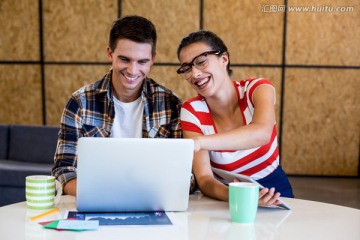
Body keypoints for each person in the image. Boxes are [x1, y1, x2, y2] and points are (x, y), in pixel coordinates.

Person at [52, 16, 183, 196]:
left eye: (142, 62)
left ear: (153, 59)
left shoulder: (171, 104)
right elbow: (63, 171)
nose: (132, 70)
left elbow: (184, 174)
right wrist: (104, 195)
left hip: (151, 202)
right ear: (110, 54)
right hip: (96, 201)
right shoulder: (80, 102)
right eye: (125, 59)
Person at [176, 30, 294, 207]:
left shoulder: (257, 89)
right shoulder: (191, 110)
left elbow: (261, 134)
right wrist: (236, 195)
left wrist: (200, 142)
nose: (194, 74)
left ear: (224, 59)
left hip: (274, 189)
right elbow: (205, 179)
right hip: (226, 195)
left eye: (201, 62)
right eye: (186, 68)